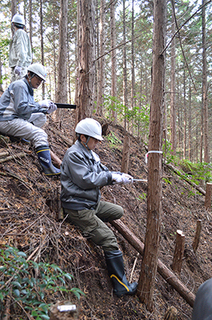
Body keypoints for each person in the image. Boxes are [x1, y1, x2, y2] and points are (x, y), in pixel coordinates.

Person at [60, 118, 138, 297]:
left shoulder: (89, 153)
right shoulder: (74, 154)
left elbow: (102, 171)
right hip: (77, 205)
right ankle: (121, 286)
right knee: (109, 239)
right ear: (82, 138)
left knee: (118, 211)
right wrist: (110, 178)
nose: (97, 143)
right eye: (94, 140)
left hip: (90, 203)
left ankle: (91, 223)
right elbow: (87, 180)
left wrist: (118, 175)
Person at [0, 62, 60, 176]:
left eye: (41, 80)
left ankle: (21, 137)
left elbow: (29, 110)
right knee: (40, 134)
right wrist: (40, 104)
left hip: (14, 118)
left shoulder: (28, 89)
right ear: (29, 74)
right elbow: (22, 109)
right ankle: (48, 168)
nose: (39, 82)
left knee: (41, 117)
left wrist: (45, 111)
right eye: (37, 78)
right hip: (6, 120)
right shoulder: (20, 85)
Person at [9, 13, 32, 83]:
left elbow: (22, 51)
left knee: (19, 91)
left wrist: (19, 65)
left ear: (13, 24)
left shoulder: (20, 33)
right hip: (18, 67)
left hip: (21, 68)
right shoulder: (19, 34)